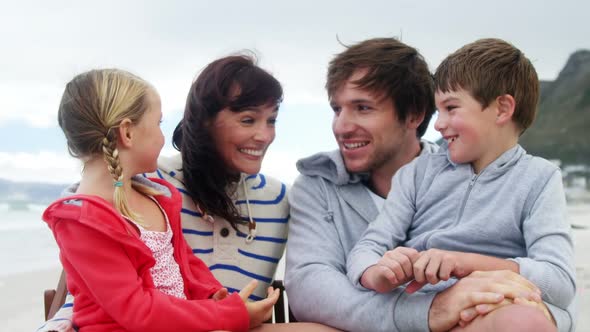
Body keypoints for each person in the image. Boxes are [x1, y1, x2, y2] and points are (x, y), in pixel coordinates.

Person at [285, 37, 574, 332]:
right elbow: (315, 283)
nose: (341, 126)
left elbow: (558, 286)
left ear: (414, 114)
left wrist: (510, 299)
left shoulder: (538, 178)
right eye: (336, 109)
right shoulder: (324, 185)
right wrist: (412, 297)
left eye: (362, 108)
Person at [42, 68, 280, 331]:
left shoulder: (155, 197)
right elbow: (138, 311)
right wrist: (229, 314)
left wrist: (212, 294)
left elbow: (185, 263)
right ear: (127, 133)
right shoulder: (82, 222)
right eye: (158, 124)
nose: (163, 137)